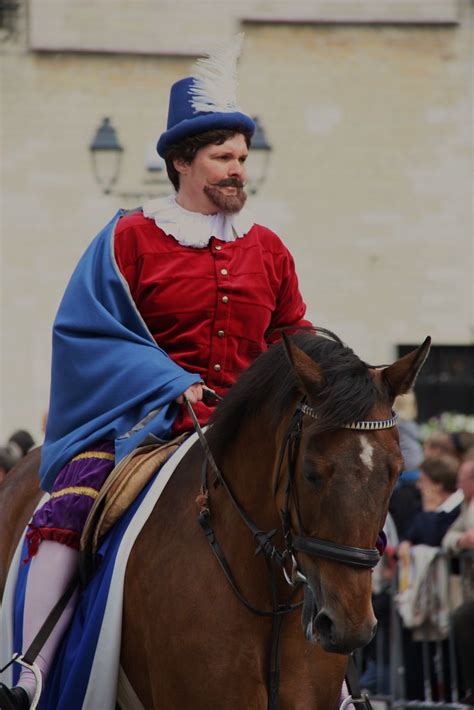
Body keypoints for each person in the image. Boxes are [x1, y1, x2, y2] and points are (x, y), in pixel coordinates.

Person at [0, 37, 311, 709]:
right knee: (70, 505)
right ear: (181, 162)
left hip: (246, 427)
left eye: (241, 157)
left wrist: (332, 378)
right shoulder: (129, 237)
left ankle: (333, 681)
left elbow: (292, 337)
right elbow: (88, 330)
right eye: (223, 158)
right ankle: (29, 668)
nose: (238, 169)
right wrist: (173, 382)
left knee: (329, 509)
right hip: (144, 423)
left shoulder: (269, 248)